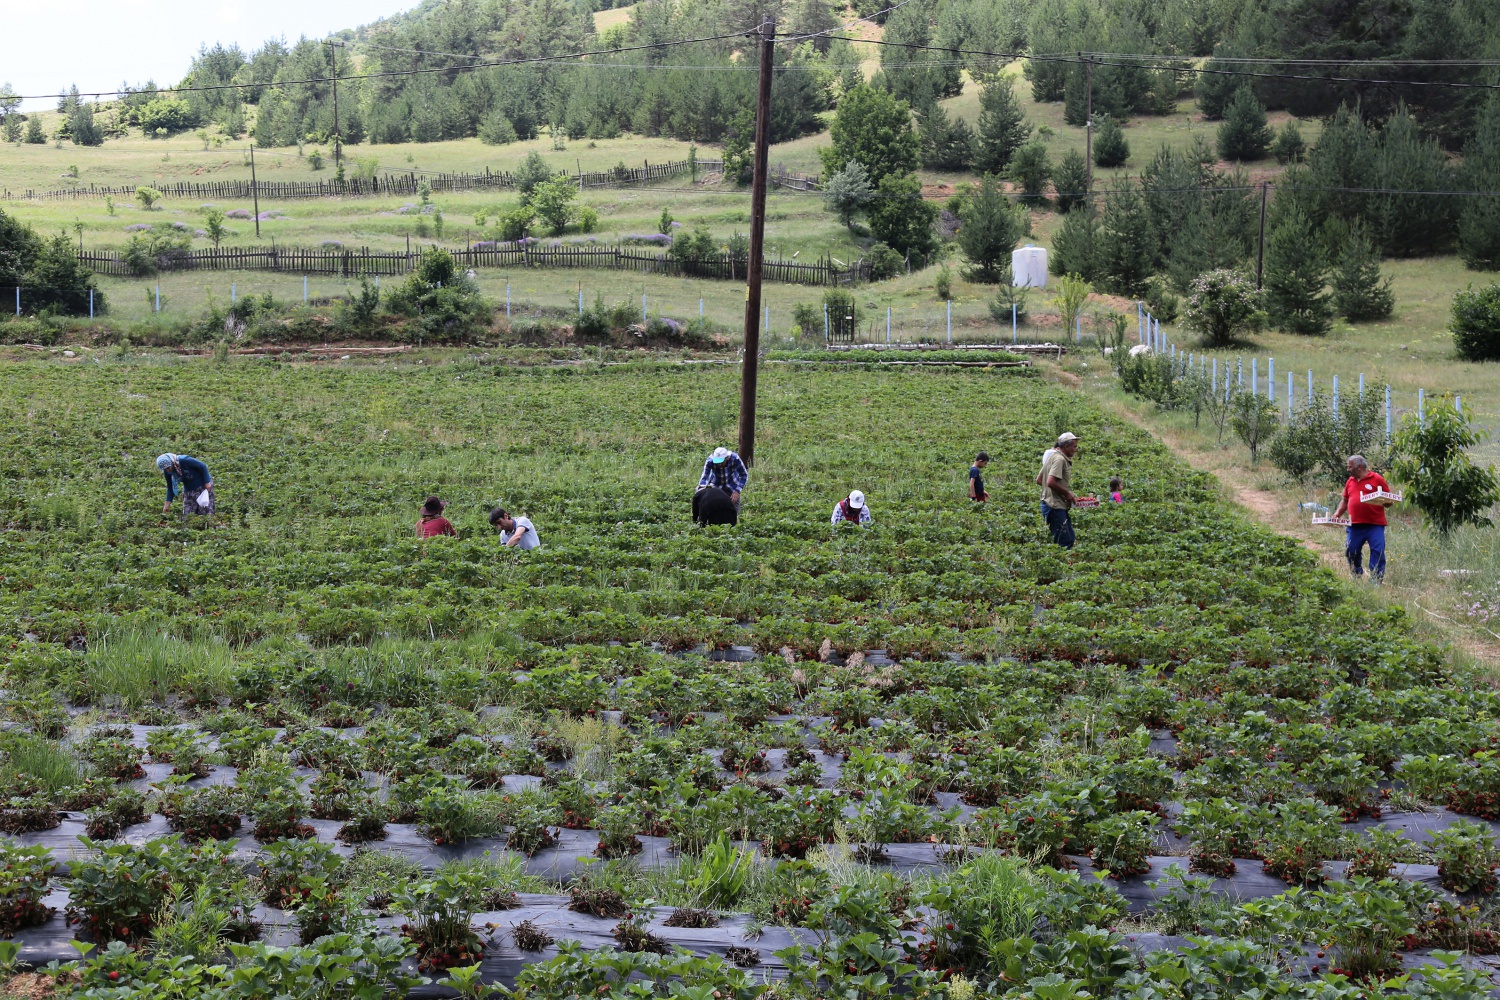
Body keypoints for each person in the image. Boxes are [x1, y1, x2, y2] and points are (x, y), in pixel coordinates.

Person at [1333, 454, 1390, 582]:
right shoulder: (1350, 481)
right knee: (1351, 550)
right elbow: (1345, 500)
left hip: (1374, 524)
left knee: (1377, 551)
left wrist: (1380, 500)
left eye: (1350, 467)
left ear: (1359, 467)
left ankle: (1376, 580)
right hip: (1355, 525)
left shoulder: (1377, 479)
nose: (1348, 469)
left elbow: (1388, 501)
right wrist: (1337, 514)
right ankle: (1356, 574)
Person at [1041, 432, 1079, 549]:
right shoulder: (1060, 460)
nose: (1076, 450)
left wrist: (1058, 493)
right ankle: (1061, 565)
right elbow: (1050, 482)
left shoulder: (1052, 456)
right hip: (1054, 506)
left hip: (1053, 504)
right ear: (1066, 446)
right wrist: (1066, 493)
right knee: (1065, 542)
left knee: (1070, 537)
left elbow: (1039, 479)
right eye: (1074, 446)